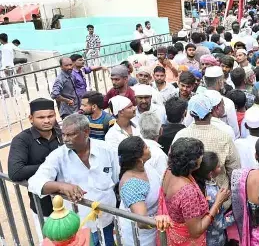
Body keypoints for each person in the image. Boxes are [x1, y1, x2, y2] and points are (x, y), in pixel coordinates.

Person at [28, 114, 119, 246]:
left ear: (86, 132)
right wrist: (61, 186)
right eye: (64, 134)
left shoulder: (107, 150)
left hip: (106, 221)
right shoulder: (58, 156)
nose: (66, 139)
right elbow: (34, 183)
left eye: (71, 135)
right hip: (78, 227)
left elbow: (115, 178)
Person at [8, 98, 63, 243]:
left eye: (50, 116)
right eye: (41, 117)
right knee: (49, 241)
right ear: (31, 118)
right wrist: (51, 165)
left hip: (69, 201)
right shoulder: (22, 140)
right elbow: (15, 172)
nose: (47, 120)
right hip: (43, 205)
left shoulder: (62, 134)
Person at [173, 94, 240, 209]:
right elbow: (235, 171)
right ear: (211, 112)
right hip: (220, 201)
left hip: (189, 203)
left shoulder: (181, 135)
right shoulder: (224, 137)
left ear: (190, 113)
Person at [161, 138, 230, 246]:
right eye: (200, 156)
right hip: (187, 240)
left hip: (174, 231)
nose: (202, 157)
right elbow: (196, 231)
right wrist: (218, 202)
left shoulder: (170, 170)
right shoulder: (188, 192)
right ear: (193, 164)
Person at [118, 136, 167, 245]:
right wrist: (161, 219)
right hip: (142, 237)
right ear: (139, 159)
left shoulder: (145, 166)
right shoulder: (132, 185)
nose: (149, 148)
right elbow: (142, 222)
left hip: (154, 229)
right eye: (146, 148)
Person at [193, 152, 235, 246]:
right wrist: (235, 216)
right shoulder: (212, 193)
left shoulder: (199, 184)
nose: (220, 167)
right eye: (218, 166)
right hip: (214, 240)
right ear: (211, 173)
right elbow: (219, 224)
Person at [138, 111, 168, 177]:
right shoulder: (160, 155)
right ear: (161, 131)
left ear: (140, 130)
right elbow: (164, 180)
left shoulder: (134, 148)